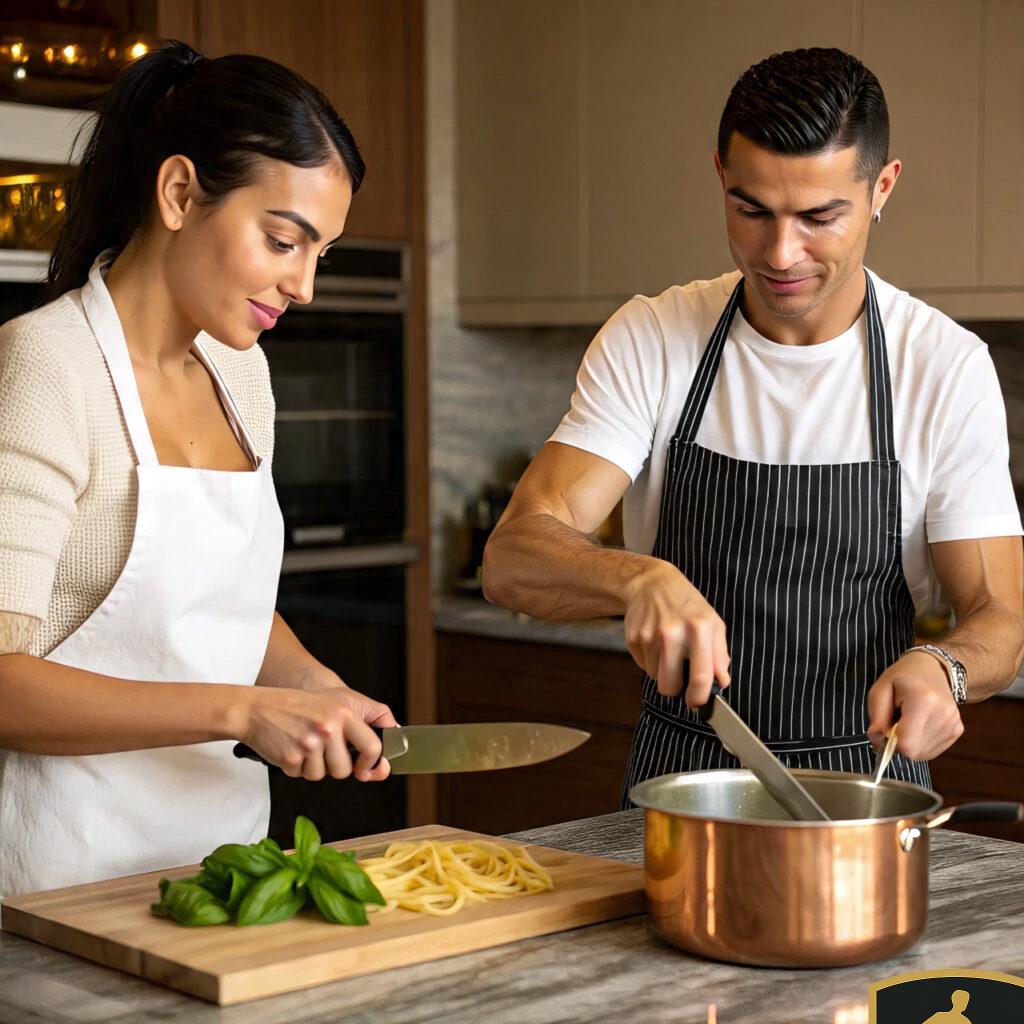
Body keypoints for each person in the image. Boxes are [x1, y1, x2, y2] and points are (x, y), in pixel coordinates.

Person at [482, 48, 1024, 800]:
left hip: (863, 790)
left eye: (819, 217)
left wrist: (947, 668)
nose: (780, 253)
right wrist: (638, 579)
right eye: (752, 210)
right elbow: (511, 559)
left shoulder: (943, 367)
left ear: (882, 188)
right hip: (682, 790)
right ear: (720, 178)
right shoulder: (653, 338)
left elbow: (1001, 617)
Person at [0, 42, 396, 898]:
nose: (306, 285)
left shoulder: (241, 373)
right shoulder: (47, 368)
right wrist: (245, 710)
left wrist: (313, 689)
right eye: (285, 241)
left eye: (320, 252)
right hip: (62, 881)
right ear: (180, 193)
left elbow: (218, 610)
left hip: (224, 869)